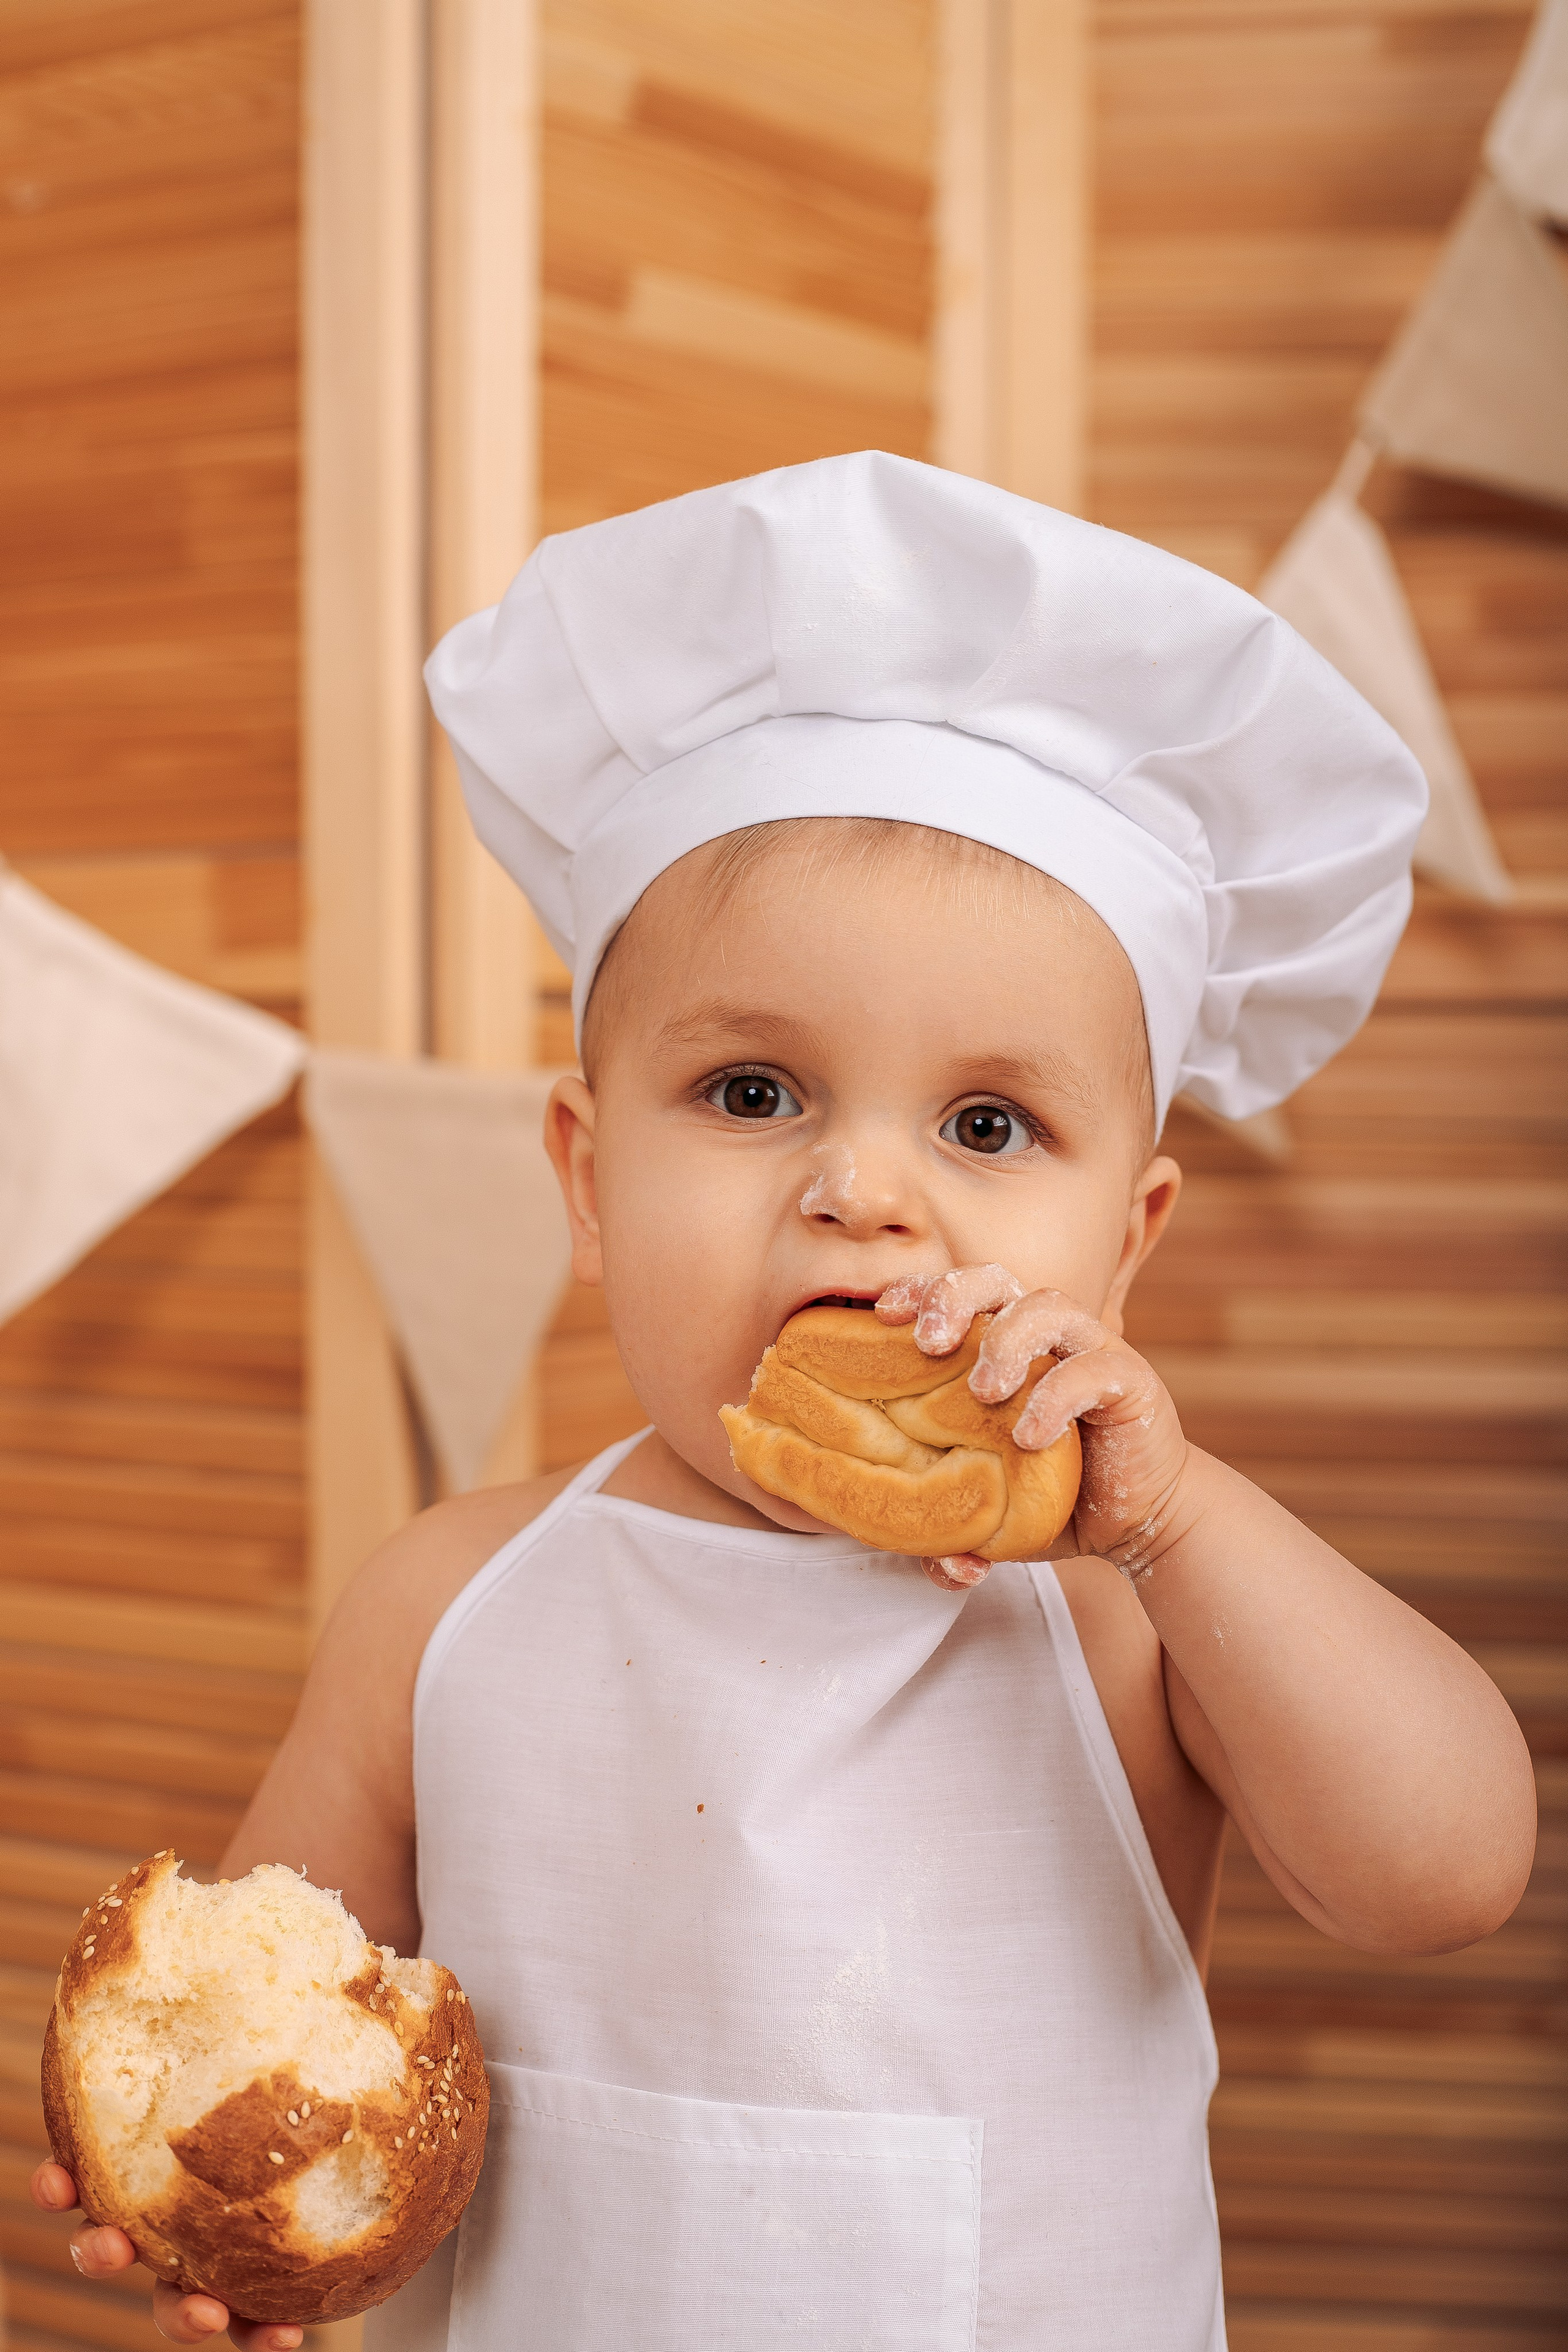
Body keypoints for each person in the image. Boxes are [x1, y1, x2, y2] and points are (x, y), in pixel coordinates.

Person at [35, 454, 1536, 2350]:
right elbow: (288, 2027)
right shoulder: (447, 1605)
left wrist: (1178, 1520)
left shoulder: (1133, 1621)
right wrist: (227, 2192)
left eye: (990, 1125)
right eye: (753, 1094)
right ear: (587, 1180)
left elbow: (1450, 1874)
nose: (866, 1191)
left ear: (1127, 1246)